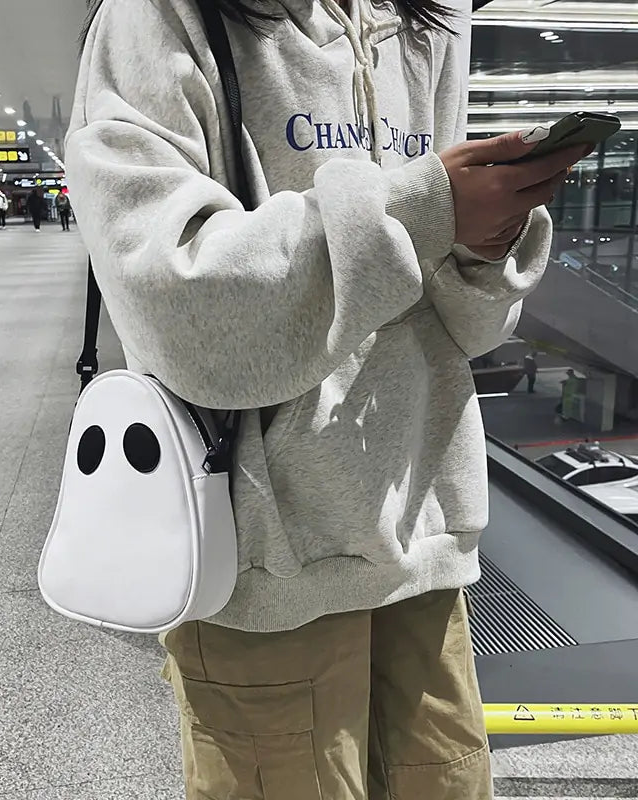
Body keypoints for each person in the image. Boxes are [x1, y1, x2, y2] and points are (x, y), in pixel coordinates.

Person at [68, 2, 594, 798]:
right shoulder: (160, 16)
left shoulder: (427, 19)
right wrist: (426, 209)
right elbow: (180, 308)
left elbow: (467, 327)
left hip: (421, 535)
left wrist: (483, 246)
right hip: (267, 561)